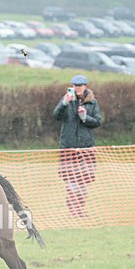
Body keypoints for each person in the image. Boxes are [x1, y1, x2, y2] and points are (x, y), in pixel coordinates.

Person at [52, 74, 102, 218]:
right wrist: (64, 103)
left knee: (83, 182)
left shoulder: (92, 103)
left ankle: (80, 209)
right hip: (68, 148)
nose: (77, 88)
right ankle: (72, 210)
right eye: (75, 85)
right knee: (71, 181)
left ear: (85, 86)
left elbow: (97, 122)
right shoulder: (67, 100)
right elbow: (56, 115)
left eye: (80, 86)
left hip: (86, 149)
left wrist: (85, 118)